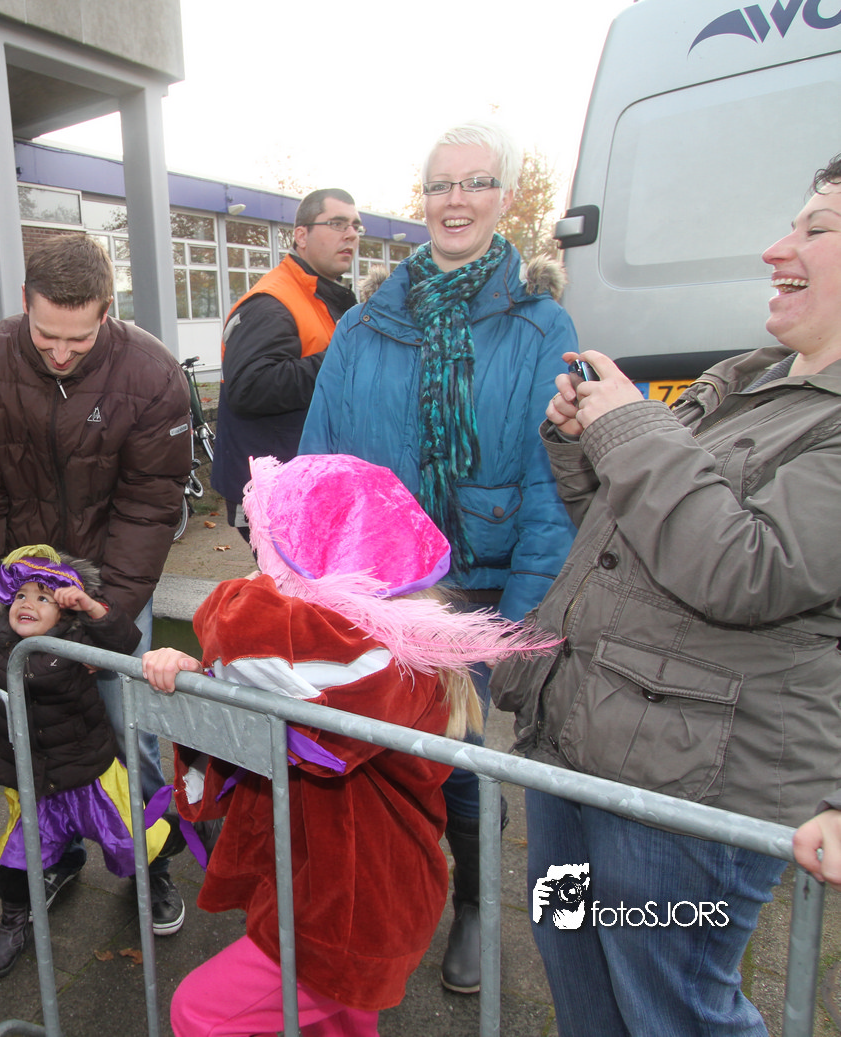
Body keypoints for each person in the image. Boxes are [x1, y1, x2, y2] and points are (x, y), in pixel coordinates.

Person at [491, 151, 841, 1036]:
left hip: (687, 786)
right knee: (576, 969)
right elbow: (634, 540)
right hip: (580, 744)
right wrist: (586, 444)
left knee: (673, 1006)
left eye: (815, 229)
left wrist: (630, 428)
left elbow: (745, 569)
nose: (775, 250)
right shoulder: (754, 378)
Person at [297, 120, 577, 994]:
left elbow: (551, 484)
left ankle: (474, 902)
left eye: (475, 182)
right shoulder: (364, 324)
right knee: (373, 750)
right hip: (371, 590)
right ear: (420, 200)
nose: (455, 200)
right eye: (439, 184)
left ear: (504, 199)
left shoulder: (540, 324)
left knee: (456, 757)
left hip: (473, 593)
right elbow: (316, 466)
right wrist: (305, 583)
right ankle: (386, 898)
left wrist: (518, 618)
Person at [140, 454, 555, 1037]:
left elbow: (244, 642)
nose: (261, 562)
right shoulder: (365, 645)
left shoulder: (387, 661)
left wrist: (226, 638)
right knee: (340, 1028)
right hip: (337, 888)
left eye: (273, 546)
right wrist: (197, 678)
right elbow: (255, 692)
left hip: (349, 911)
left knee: (198, 1012)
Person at [0, 232, 192, 934]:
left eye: (79, 340)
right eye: (46, 334)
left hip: (109, 582)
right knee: (26, 730)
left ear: (107, 310)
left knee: (126, 724)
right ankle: (52, 851)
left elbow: (148, 508)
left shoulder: (152, 375)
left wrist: (104, 612)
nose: (59, 353)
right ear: (25, 302)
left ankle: (148, 857)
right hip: (18, 588)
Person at [0, 546, 184, 978]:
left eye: (44, 597)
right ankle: (13, 925)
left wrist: (91, 606)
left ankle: (187, 831)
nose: (28, 604)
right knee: (15, 865)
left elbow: (124, 642)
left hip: (90, 776)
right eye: (20, 595)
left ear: (63, 610)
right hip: (32, 782)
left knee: (135, 845)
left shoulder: (77, 639)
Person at [210, 188, 357, 538]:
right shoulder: (272, 303)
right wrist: (342, 361)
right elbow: (249, 386)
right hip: (274, 494)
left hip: (306, 483)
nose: (351, 234)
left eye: (355, 225)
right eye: (337, 223)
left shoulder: (321, 295)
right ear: (301, 235)